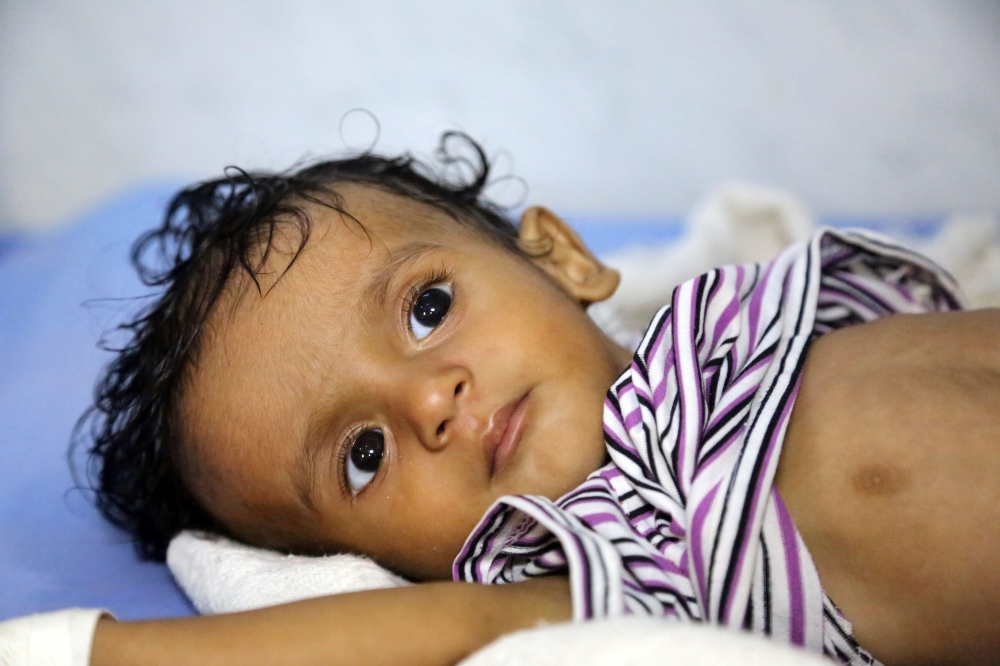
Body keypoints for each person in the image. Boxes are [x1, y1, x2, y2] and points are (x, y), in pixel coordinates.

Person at [18, 134, 1000, 665]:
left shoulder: (723, 317)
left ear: (562, 258)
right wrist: (100, 654)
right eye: (363, 454)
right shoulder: (614, 553)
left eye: (427, 307)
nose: (428, 403)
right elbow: (455, 635)